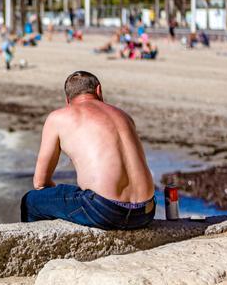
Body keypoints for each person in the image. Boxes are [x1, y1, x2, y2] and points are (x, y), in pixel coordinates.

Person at [21, 71, 155, 230]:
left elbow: (40, 182)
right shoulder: (124, 116)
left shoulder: (58, 118)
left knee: (30, 201)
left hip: (105, 211)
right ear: (99, 90)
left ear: (67, 100)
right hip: (146, 211)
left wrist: (57, 200)